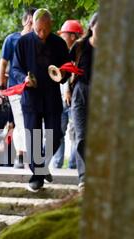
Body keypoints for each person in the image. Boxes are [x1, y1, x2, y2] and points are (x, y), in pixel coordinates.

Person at [12, 8, 71, 191]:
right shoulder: (23, 43)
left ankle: (41, 166)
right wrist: (24, 79)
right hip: (31, 97)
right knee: (33, 138)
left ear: (50, 25)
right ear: (33, 25)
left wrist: (62, 74)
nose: (42, 33)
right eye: (38, 30)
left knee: (56, 135)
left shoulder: (59, 43)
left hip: (52, 96)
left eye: (45, 29)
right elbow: (14, 69)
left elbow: (68, 68)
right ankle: (37, 176)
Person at [0, 7, 36, 169]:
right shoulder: (11, 39)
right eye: (31, 21)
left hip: (35, 88)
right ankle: (21, 155)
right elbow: (3, 64)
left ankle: (30, 155)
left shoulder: (39, 41)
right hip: (16, 88)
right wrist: (0, 86)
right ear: (24, 21)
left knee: (32, 121)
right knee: (20, 121)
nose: (33, 25)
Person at [69, 12, 98, 193]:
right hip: (80, 92)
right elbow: (68, 68)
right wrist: (66, 89)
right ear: (92, 27)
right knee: (81, 135)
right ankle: (84, 177)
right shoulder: (80, 46)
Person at [51, 20, 83, 169]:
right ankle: (56, 164)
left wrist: (69, 91)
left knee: (76, 132)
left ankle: (73, 165)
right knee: (58, 132)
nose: (62, 36)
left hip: (76, 99)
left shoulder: (81, 54)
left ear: (72, 36)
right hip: (59, 99)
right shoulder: (59, 52)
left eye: (64, 34)